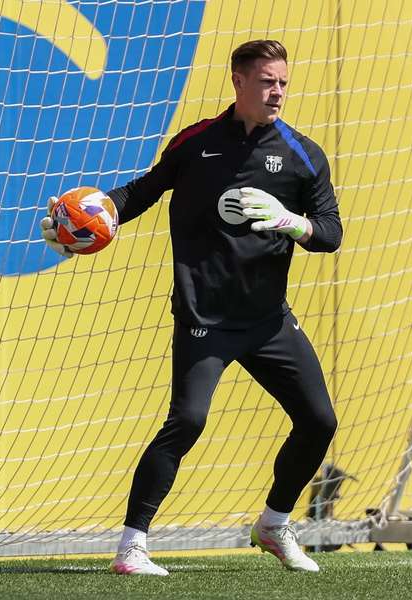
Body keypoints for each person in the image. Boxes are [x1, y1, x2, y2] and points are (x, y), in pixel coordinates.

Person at [41, 39, 342, 576]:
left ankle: (273, 523)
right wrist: (87, 221)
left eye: (284, 83)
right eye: (268, 82)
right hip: (205, 316)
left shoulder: (302, 155)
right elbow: (143, 192)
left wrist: (290, 222)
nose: (278, 93)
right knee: (187, 420)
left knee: (319, 421)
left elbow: (330, 233)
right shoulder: (197, 142)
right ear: (238, 81)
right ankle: (132, 547)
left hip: (268, 319)